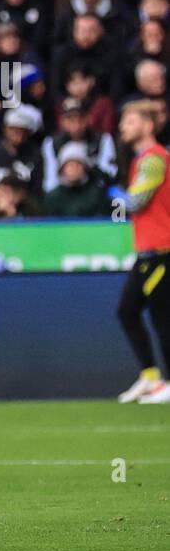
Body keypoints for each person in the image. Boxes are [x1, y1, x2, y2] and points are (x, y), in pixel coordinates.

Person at [114, 103, 170, 404]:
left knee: (162, 316)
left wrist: (114, 193)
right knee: (127, 310)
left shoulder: (153, 160)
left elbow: (135, 203)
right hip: (149, 250)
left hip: (162, 249)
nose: (123, 126)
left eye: (130, 120)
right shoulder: (142, 160)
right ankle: (151, 377)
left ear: (148, 125)